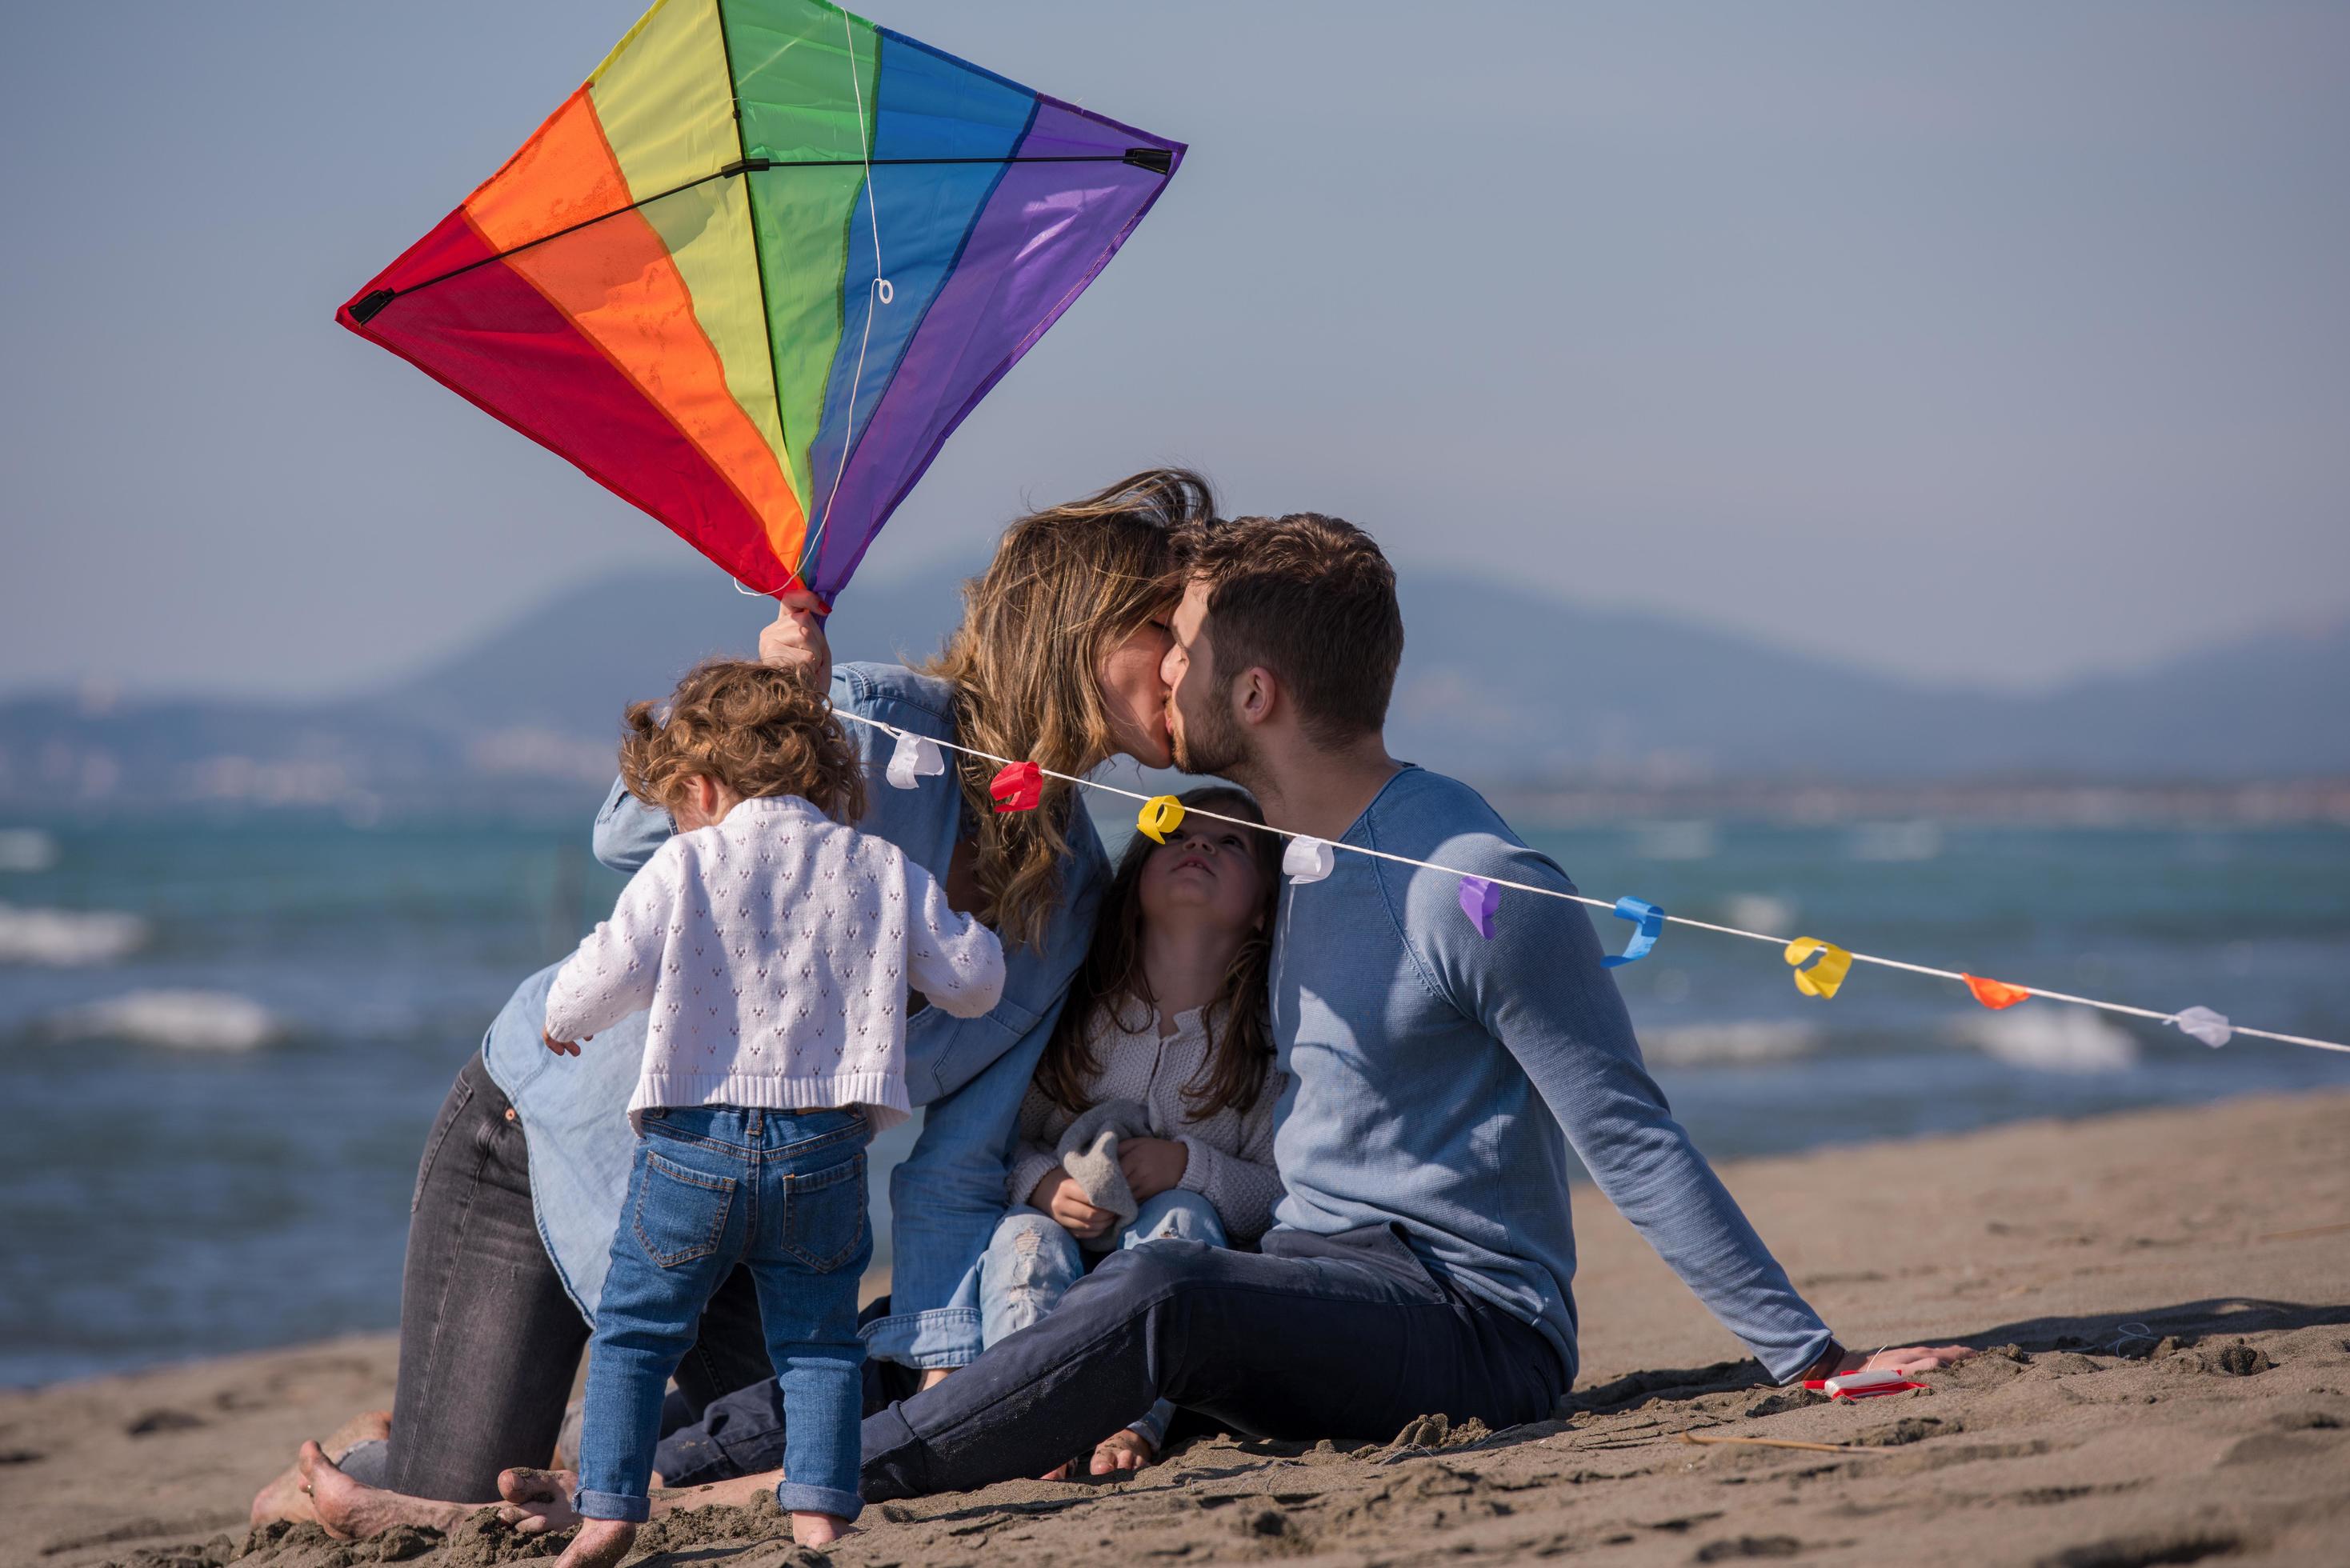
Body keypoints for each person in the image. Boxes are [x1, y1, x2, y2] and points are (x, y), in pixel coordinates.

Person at [478, 507, 1971, 1528]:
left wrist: (1810, 1358)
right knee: (910, 1327)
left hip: (1464, 1321)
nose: (1151, 675)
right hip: (1293, 1268)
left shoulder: (1471, 881)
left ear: (1251, 687)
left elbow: (1628, 1135)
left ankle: (805, 1489)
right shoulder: (1255, 862)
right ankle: (628, 1472)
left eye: (1176, 647)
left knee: (1157, 1305)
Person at [262, 470, 1218, 1536]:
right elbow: (623, 843)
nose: (1190, 666)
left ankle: (516, 1427)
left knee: (829, 1415)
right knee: (441, 1499)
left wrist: (951, 1368)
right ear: (1074, 629)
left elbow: (958, 1162)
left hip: (766, 1223)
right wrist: (771, 725)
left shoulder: (1075, 898)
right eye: (1161, 632)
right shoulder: (857, 720)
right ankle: (368, 1457)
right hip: (551, 1140)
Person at [538, 660, 1005, 1558]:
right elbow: (974, 985)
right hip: (823, 1151)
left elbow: (606, 966)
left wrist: (562, 1018)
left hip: (692, 1148)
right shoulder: (879, 864)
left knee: (637, 1331)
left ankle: (605, 1511)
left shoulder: (685, 863)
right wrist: (977, 925)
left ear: (703, 787)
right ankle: (820, 1511)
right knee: (821, 1342)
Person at [984, 785, 1286, 1476]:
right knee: (1018, 1236)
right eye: (1175, 831)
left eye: (1231, 842)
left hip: (1184, 1277)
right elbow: (995, 1148)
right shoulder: (1079, 1012)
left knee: (1181, 1213)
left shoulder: (1263, 1044)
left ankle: (1129, 1416)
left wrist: (1188, 1167)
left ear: (1266, 906)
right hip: (1063, 1244)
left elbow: (1277, 1195)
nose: (1198, 844)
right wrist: (1043, 1185)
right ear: (1138, 870)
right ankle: (1022, 1412)